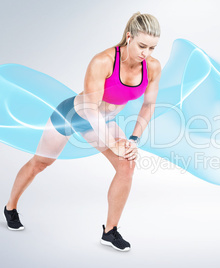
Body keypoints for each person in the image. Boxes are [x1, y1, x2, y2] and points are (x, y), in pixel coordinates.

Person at [3, 11, 161, 252]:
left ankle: (110, 231)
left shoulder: (152, 67)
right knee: (41, 163)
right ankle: (10, 207)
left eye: (152, 48)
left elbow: (149, 105)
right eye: (142, 46)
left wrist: (133, 139)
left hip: (103, 120)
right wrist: (112, 143)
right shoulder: (103, 61)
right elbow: (89, 110)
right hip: (73, 115)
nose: (146, 54)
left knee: (127, 164)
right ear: (129, 37)